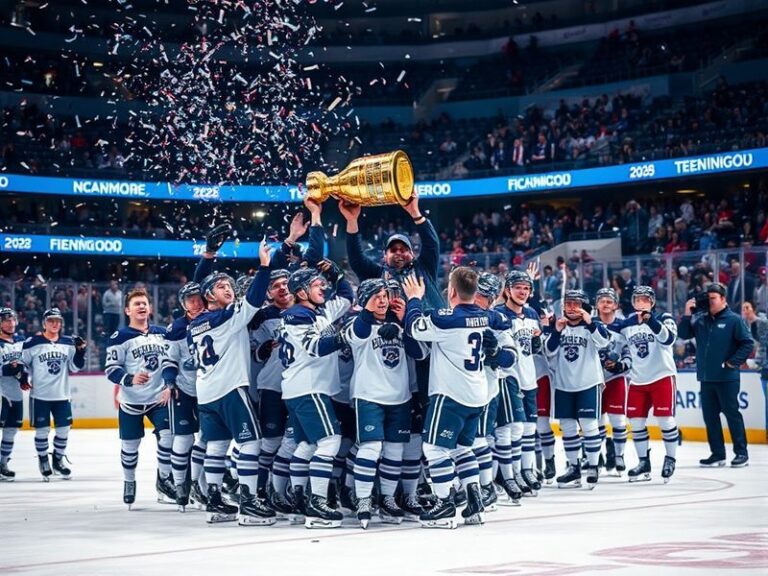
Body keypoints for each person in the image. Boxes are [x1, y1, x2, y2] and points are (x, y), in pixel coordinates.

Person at [403, 267, 509, 529]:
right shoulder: (486, 317)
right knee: (464, 447)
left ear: (450, 291)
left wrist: (414, 299)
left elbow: (415, 328)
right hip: (477, 393)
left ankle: (444, 505)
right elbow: (502, 322)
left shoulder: (445, 318)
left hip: (450, 394)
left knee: (434, 448)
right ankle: (474, 500)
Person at [188, 240, 275, 525]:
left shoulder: (195, 323)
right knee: (252, 442)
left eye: (229, 285)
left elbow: (207, 291)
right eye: (222, 287)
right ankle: (248, 502)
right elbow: (253, 300)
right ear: (210, 296)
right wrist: (264, 266)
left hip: (207, 391)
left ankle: (214, 500)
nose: (229, 289)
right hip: (229, 388)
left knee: (216, 445)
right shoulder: (227, 318)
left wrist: (208, 258)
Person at [345, 279, 426, 529]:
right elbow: (357, 335)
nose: (382, 300)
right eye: (375, 296)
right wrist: (371, 318)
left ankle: (388, 498)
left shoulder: (399, 323)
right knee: (370, 448)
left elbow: (420, 353)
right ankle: (362, 499)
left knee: (395, 452)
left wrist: (402, 324)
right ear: (364, 300)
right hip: (368, 395)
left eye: (384, 295)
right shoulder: (356, 323)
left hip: (400, 397)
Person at [279, 262, 354, 529]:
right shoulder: (298, 315)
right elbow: (314, 346)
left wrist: (337, 274)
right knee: (330, 441)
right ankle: (317, 501)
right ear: (301, 292)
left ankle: (299, 500)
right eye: (316, 284)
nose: (322, 286)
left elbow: (347, 298)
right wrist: (346, 335)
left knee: (308, 446)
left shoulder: (316, 313)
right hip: (309, 388)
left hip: (301, 388)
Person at [105, 289, 173, 507]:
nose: (142, 307)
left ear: (150, 308)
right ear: (127, 310)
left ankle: (164, 480)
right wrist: (129, 378)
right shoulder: (120, 337)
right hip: (131, 401)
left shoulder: (163, 333)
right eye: (136, 304)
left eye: (144, 303)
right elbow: (110, 369)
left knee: (168, 436)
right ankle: (129, 481)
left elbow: (173, 361)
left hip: (158, 398)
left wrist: (170, 385)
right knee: (130, 445)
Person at [679, 284, 754, 467]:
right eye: (708, 298)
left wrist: (731, 362)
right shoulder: (701, 320)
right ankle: (718, 454)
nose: (709, 302)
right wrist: (688, 313)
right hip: (706, 379)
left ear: (723, 299)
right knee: (710, 418)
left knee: (732, 415)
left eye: (713, 298)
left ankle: (741, 453)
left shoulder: (734, 320)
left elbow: (747, 344)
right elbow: (683, 333)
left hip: (727, 378)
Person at [545, 290, 610, 489]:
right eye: (568, 303)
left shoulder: (594, 325)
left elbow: (604, 342)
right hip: (563, 384)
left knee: (590, 426)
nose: (572, 307)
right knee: (568, 428)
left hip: (588, 383)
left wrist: (590, 323)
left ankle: (592, 465)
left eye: (576, 304)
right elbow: (549, 351)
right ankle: (573, 467)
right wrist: (556, 331)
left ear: (584, 306)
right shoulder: (558, 326)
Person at [614, 286, 680, 483]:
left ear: (651, 302)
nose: (641, 302)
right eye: (638, 299)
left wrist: (651, 321)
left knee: (665, 420)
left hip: (662, 376)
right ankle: (644, 462)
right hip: (637, 379)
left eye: (645, 299)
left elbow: (668, 339)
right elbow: (615, 344)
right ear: (633, 302)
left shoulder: (664, 317)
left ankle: (670, 458)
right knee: (635, 422)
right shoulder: (627, 324)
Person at [21, 308, 86, 481]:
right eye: (51, 321)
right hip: (40, 395)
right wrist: (22, 377)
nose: (55, 324)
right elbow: (23, 363)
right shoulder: (32, 343)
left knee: (64, 430)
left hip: (62, 395)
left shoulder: (68, 343)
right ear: (44, 323)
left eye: (58, 321)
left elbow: (75, 367)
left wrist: (80, 351)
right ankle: (43, 459)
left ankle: (57, 459)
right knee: (42, 430)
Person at [494, 270, 542, 497]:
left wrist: (536, 339)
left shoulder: (532, 314)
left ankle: (526, 470)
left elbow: (533, 349)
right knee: (513, 428)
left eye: (526, 288)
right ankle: (509, 475)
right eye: (518, 287)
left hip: (528, 377)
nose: (523, 292)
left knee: (529, 430)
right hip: (508, 376)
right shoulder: (499, 314)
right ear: (507, 290)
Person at [161, 282, 207, 511]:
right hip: (184, 389)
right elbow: (169, 360)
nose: (196, 303)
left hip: (210, 389)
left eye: (199, 298)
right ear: (183, 304)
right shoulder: (175, 329)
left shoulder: (213, 319)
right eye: (190, 300)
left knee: (209, 439)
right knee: (184, 438)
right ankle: (181, 486)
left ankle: (201, 484)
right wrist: (169, 382)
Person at [595, 288, 631, 476]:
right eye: (602, 301)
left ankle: (619, 455)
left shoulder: (623, 326)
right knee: (596, 421)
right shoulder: (590, 324)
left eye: (609, 301)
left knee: (618, 419)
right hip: (594, 379)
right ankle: (597, 455)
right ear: (596, 305)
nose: (606, 304)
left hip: (616, 378)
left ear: (616, 305)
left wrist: (620, 366)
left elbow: (629, 351)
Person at [0, 308, 28, 480]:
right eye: (6, 320)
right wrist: (8, 368)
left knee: (11, 431)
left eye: (13, 320)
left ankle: (3, 462)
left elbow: (28, 363)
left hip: (15, 395)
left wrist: (23, 373)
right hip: (1, 394)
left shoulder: (21, 341)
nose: (10, 323)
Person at [741, 300, 768, 437]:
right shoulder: (745, 326)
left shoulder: (762, 322)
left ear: (753, 309)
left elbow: (763, 345)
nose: (745, 311)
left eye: (747, 308)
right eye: (743, 309)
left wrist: (755, 362)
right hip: (763, 369)